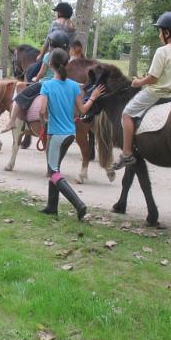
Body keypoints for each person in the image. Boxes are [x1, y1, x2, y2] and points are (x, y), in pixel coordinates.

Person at [112, 11, 171, 170]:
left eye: (160, 31)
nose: (159, 35)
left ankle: (127, 153)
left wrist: (137, 82)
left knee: (127, 113)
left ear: (167, 32)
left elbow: (153, 79)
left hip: (156, 94)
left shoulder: (162, 51)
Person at [38, 48, 105, 219]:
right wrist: (93, 97)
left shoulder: (47, 85)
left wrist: (44, 120)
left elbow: (42, 109)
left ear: (50, 65)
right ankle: (52, 206)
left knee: (53, 172)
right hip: (70, 134)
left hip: (56, 135)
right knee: (55, 168)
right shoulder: (73, 86)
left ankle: (79, 204)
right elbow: (82, 110)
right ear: (67, 64)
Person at [3, 29, 71, 133]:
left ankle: (12, 121)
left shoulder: (48, 56)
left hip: (44, 83)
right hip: (63, 83)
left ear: (50, 45)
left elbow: (41, 73)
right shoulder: (67, 57)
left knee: (19, 98)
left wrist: (36, 79)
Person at [26, 2, 77, 82]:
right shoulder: (73, 27)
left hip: (53, 55)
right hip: (66, 56)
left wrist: (41, 54)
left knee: (30, 73)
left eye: (56, 12)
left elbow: (48, 40)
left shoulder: (55, 23)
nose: (56, 14)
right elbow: (71, 44)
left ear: (60, 12)